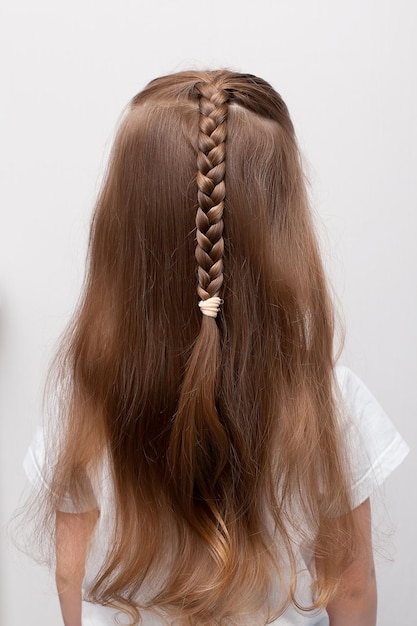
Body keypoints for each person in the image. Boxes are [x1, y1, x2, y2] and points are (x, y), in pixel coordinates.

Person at [24, 70, 408, 626]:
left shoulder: (85, 406)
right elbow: (351, 588)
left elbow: (69, 572)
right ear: (281, 236)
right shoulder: (327, 404)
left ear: (120, 236)